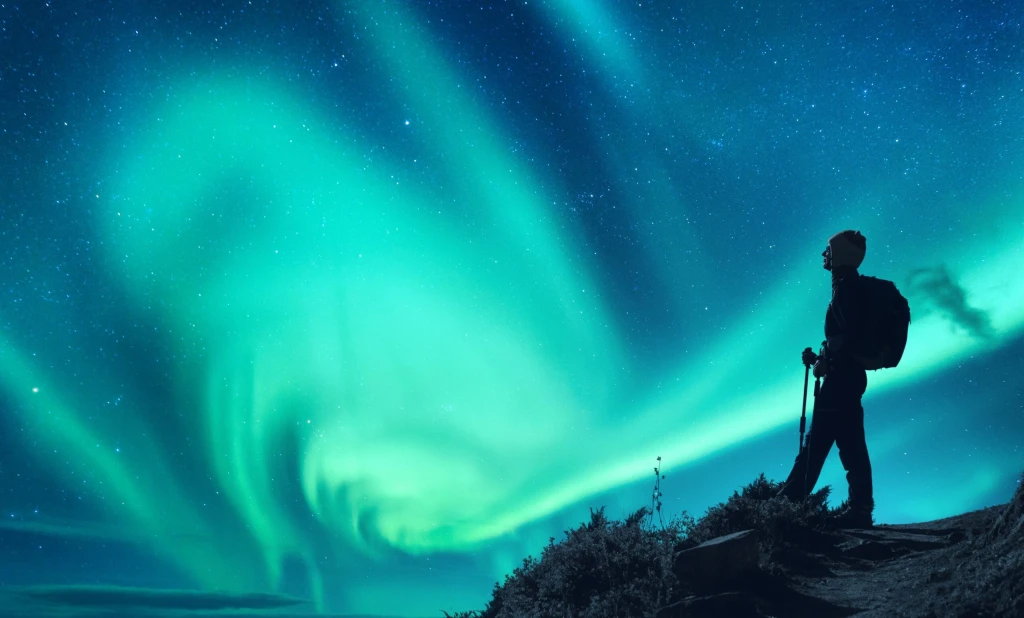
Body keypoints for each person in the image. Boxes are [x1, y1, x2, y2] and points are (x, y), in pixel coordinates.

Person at [777, 230, 874, 529]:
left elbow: (844, 342)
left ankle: (783, 509)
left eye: (828, 250)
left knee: (815, 446)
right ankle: (860, 510)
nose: (824, 255)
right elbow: (847, 342)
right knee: (852, 446)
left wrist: (822, 364)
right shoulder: (852, 288)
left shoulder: (845, 291)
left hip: (840, 382)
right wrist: (822, 359)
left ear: (840, 254)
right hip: (851, 379)